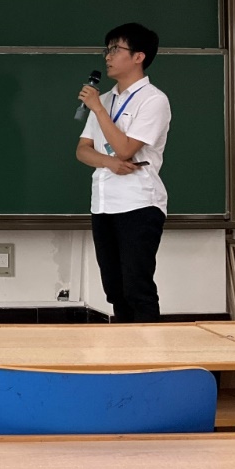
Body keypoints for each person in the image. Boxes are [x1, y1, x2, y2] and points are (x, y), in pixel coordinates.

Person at [76, 23, 171, 323]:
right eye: (107, 50)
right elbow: (82, 150)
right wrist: (108, 162)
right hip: (103, 204)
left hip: (138, 204)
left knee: (136, 288)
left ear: (138, 56)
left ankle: (150, 352)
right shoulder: (104, 99)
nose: (108, 56)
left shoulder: (153, 100)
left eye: (116, 49)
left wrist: (98, 109)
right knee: (115, 290)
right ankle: (125, 348)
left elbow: (126, 148)